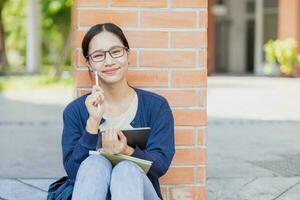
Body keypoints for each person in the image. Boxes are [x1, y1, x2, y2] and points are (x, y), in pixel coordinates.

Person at [47, 22, 175, 200]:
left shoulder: (156, 106)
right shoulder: (75, 111)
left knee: (126, 168)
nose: (109, 61)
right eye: (98, 56)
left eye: (116, 52)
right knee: (94, 163)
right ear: (90, 64)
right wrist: (92, 123)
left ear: (127, 54)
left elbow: (160, 166)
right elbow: (74, 172)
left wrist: (126, 151)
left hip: (139, 193)